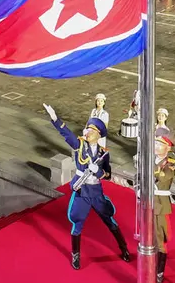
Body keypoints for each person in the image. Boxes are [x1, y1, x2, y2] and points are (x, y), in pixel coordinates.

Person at [41, 102, 130, 270]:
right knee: (77, 223)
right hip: (82, 190)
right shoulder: (80, 145)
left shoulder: (104, 153)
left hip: (95, 190)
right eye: (87, 129)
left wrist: (98, 172)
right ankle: (76, 254)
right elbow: (66, 134)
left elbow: (108, 174)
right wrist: (54, 117)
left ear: (98, 134)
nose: (87, 132)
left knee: (109, 220)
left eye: (91, 130)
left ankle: (123, 247)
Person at [154, 129, 175, 283]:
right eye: (155, 142)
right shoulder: (149, 159)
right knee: (146, 236)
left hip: (160, 205)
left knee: (160, 240)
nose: (156, 146)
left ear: (168, 147)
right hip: (147, 202)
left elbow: (164, 176)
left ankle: (159, 272)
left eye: (160, 143)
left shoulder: (171, 164)